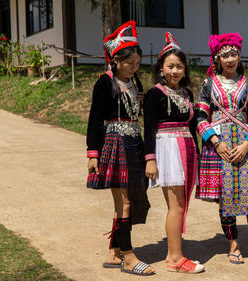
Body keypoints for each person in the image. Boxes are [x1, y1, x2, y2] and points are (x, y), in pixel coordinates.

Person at [195, 32, 248, 269]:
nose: (230, 59)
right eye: (225, 55)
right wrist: (216, 142)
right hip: (218, 147)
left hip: (245, 147)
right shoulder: (208, 85)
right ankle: (234, 246)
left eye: (234, 54)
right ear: (217, 59)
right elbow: (200, 117)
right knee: (225, 201)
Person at [86, 21, 154, 276]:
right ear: (115, 60)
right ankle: (128, 257)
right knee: (124, 202)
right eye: (128, 63)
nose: (133, 67)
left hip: (133, 144)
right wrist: (92, 153)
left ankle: (114, 252)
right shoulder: (105, 82)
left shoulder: (134, 83)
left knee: (128, 200)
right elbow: (94, 119)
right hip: (114, 145)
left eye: (136, 64)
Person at [143, 32, 204, 273]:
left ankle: (172, 255)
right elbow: (148, 129)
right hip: (167, 149)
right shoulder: (154, 94)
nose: (175, 71)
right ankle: (176, 259)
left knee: (181, 205)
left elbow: (191, 127)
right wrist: (150, 160)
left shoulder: (187, 94)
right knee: (176, 206)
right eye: (170, 66)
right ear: (161, 68)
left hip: (187, 149)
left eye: (179, 66)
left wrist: (197, 156)